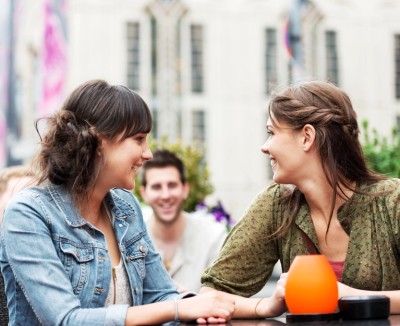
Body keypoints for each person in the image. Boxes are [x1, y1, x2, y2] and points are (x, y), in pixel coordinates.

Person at [0, 79, 235, 325]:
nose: (148, 153)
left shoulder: (125, 206)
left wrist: (208, 308)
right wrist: (178, 308)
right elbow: (66, 320)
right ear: (98, 141)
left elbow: (162, 295)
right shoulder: (28, 213)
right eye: (139, 139)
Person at [199, 80, 400, 318]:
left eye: (272, 133)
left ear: (306, 137)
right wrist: (264, 305)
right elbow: (210, 296)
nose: (265, 147)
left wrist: (346, 296)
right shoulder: (275, 205)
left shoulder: (392, 202)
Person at [140, 149, 228, 293]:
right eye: (156, 187)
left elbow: (221, 297)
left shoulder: (213, 236)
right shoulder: (130, 235)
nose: (166, 195)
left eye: (172, 185)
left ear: (185, 189)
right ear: (144, 193)